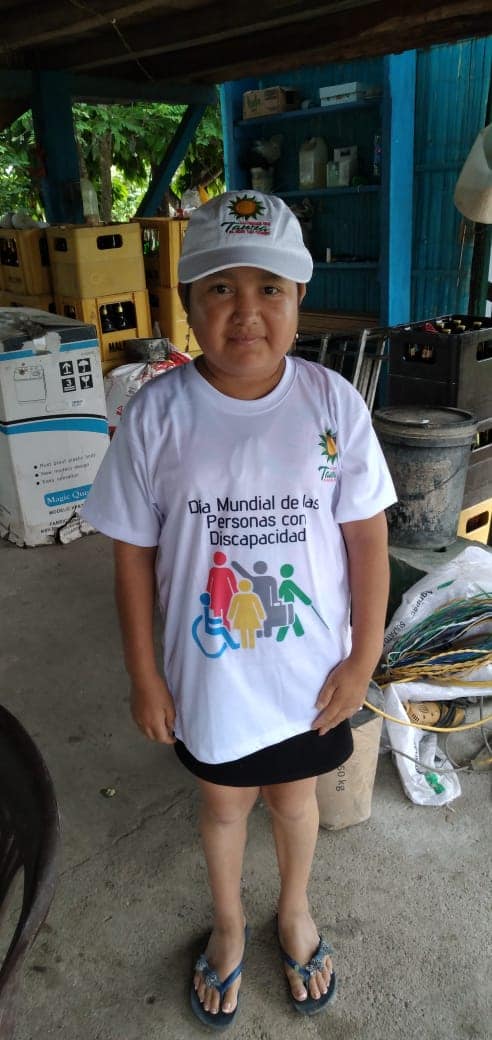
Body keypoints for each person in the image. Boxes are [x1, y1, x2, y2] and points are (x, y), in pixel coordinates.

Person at [81, 191, 396, 1029]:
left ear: (300, 300)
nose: (246, 310)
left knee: (295, 800)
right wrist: (145, 676)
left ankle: (294, 910)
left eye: (269, 288)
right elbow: (131, 554)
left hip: (311, 673)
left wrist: (362, 658)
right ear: (187, 303)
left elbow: (367, 537)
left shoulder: (333, 404)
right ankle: (227, 923)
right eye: (221, 287)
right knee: (224, 805)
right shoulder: (156, 415)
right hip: (212, 675)